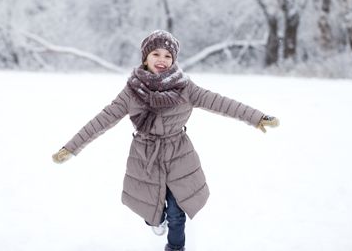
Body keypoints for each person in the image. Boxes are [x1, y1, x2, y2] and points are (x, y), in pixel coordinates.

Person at [52, 30, 279, 251]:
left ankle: (175, 247)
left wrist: (257, 118)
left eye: (167, 55)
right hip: (146, 157)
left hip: (178, 155)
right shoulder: (132, 91)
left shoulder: (185, 88)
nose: (162, 60)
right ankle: (154, 220)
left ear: (174, 59)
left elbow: (221, 103)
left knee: (177, 213)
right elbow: (103, 119)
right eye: (156, 54)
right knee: (152, 211)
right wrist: (71, 148)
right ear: (145, 57)